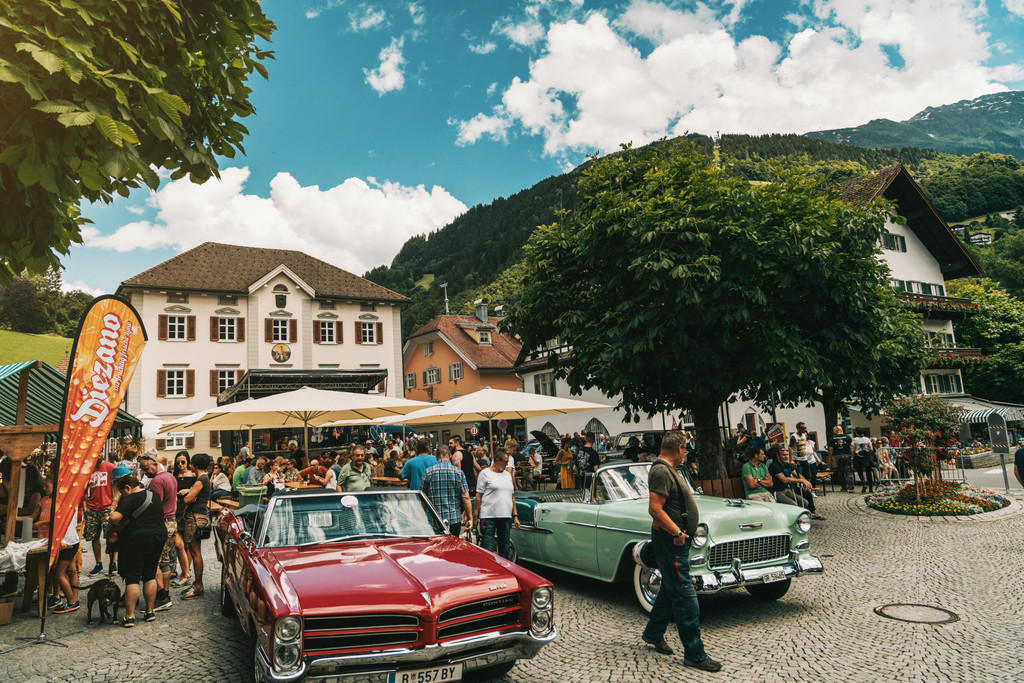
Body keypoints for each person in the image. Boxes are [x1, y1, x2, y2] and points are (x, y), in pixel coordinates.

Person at [641, 431, 721, 672]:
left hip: (675, 540)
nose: (686, 453)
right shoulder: (661, 471)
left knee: (670, 587)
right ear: (679, 448)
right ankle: (695, 653)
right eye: (685, 449)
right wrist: (677, 532)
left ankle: (653, 633)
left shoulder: (668, 470)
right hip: (671, 541)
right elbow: (655, 509)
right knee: (685, 594)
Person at [107, 467, 165, 627]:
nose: (123, 495)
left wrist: (114, 507)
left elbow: (114, 518)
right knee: (150, 575)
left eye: (122, 492)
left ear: (127, 487)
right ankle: (149, 612)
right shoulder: (154, 494)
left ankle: (129, 617)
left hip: (137, 539)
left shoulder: (129, 498)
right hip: (158, 536)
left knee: (132, 577)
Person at [139, 453, 176, 612]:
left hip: (161, 523)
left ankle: (161, 597)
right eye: (142, 469)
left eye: (146, 468)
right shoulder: (170, 477)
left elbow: (154, 506)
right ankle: (165, 595)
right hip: (171, 522)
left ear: (155, 464)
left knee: (152, 562)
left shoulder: (157, 481)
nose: (144, 472)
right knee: (164, 561)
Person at [178, 452, 212, 599]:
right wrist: (190, 492)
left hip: (195, 517)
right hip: (199, 515)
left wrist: (188, 495)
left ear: (196, 465)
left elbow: (188, 500)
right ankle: (197, 584)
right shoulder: (204, 478)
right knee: (194, 551)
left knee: (195, 552)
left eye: (191, 463)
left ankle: (198, 585)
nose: (190, 465)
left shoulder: (200, 480)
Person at [474, 450, 518, 559]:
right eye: (505, 462)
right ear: (497, 460)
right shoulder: (485, 473)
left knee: (505, 546)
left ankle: (503, 568)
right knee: (488, 546)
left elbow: (512, 497)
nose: (506, 465)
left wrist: (515, 516)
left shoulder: (507, 475)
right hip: (489, 516)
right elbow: (478, 496)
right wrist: (475, 517)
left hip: (505, 515)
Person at [421, 446, 473, 537]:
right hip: (454, 518)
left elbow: (422, 498)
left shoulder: (428, 472)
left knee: (436, 544)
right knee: (453, 544)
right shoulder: (458, 472)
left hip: (434, 519)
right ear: (450, 456)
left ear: (436, 457)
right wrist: (469, 518)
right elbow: (466, 497)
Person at [768, 446, 824, 519]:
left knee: (805, 502)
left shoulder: (786, 464)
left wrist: (806, 482)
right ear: (778, 456)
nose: (786, 457)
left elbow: (796, 474)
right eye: (784, 455)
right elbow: (784, 479)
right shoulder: (774, 465)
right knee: (794, 505)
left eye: (787, 454)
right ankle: (796, 519)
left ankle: (805, 515)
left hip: (786, 489)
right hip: (777, 491)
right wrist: (801, 481)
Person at [84, 454, 115, 576]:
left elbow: (116, 486)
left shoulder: (110, 467)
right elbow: (83, 489)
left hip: (107, 506)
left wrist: (113, 505)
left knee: (110, 537)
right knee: (94, 537)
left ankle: (112, 563)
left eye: (100, 452)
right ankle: (98, 563)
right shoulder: (88, 469)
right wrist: (86, 507)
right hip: (92, 507)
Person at [170, 452, 195, 587]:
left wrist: (188, 490)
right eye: (178, 462)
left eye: (183, 462)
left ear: (188, 462)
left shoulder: (193, 475)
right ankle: (185, 571)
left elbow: (198, 491)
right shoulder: (174, 476)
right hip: (176, 509)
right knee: (178, 544)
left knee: (187, 543)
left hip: (187, 509)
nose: (180, 465)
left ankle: (187, 571)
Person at [51, 506, 81, 614]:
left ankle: (72, 601)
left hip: (67, 542)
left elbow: (59, 521)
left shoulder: (63, 502)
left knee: (59, 574)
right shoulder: (72, 502)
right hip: (72, 539)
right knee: (71, 571)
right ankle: (74, 600)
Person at [828, 425, 855, 492]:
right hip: (847, 455)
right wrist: (852, 455)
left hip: (838, 456)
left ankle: (844, 487)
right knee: (848, 471)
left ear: (836, 430)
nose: (833, 431)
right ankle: (851, 487)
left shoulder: (833, 438)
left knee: (841, 471)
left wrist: (830, 457)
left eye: (834, 430)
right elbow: (852, 446)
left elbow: (831, 449)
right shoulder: (847, 436)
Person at [852, 428, 875, 493]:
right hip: (866, 456)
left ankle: (863, 483)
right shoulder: (867, 439)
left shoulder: (854, 439)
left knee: (859, 471)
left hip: (858, 456)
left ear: (856, 433)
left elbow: (853, 450)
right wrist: (866, 450)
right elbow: (871, 449)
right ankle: (870, 488)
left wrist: (853, 456)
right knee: (868, 472)